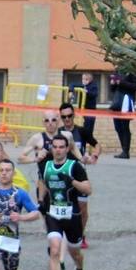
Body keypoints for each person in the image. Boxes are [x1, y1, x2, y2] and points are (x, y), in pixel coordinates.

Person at [39, 133, 92, 270]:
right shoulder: (45, 165)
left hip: (72, 215)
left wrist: (72, 181)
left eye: (61, 147)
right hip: (53, 213)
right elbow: (42, 181)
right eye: (55, 147)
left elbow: (88, 189)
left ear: (67, 148)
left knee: (75, 253)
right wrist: (41, 200)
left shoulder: (74, 166)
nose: (58, 150)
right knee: (54, 250)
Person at [59, 100, 99, 244]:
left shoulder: (81, 131)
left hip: (79, 173)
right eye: (64, 117)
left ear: (74, 115)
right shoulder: (58, 133)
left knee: (83, 209)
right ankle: (62, 236)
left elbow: (97, 145)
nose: (67, 119)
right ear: (61, 118)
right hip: (62, 173)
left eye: (69, 116)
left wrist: (94, 156)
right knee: (63, 206)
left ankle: (80, 236)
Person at [109, 69, 136, 159]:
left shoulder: (132, 71)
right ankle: (123, 150)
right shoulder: (117, 71)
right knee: (118, 127)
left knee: (124, 127)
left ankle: (126, 151)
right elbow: (112, 89)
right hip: (117, 103)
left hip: (126, 103)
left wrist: (121, 82)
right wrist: (113, 83)